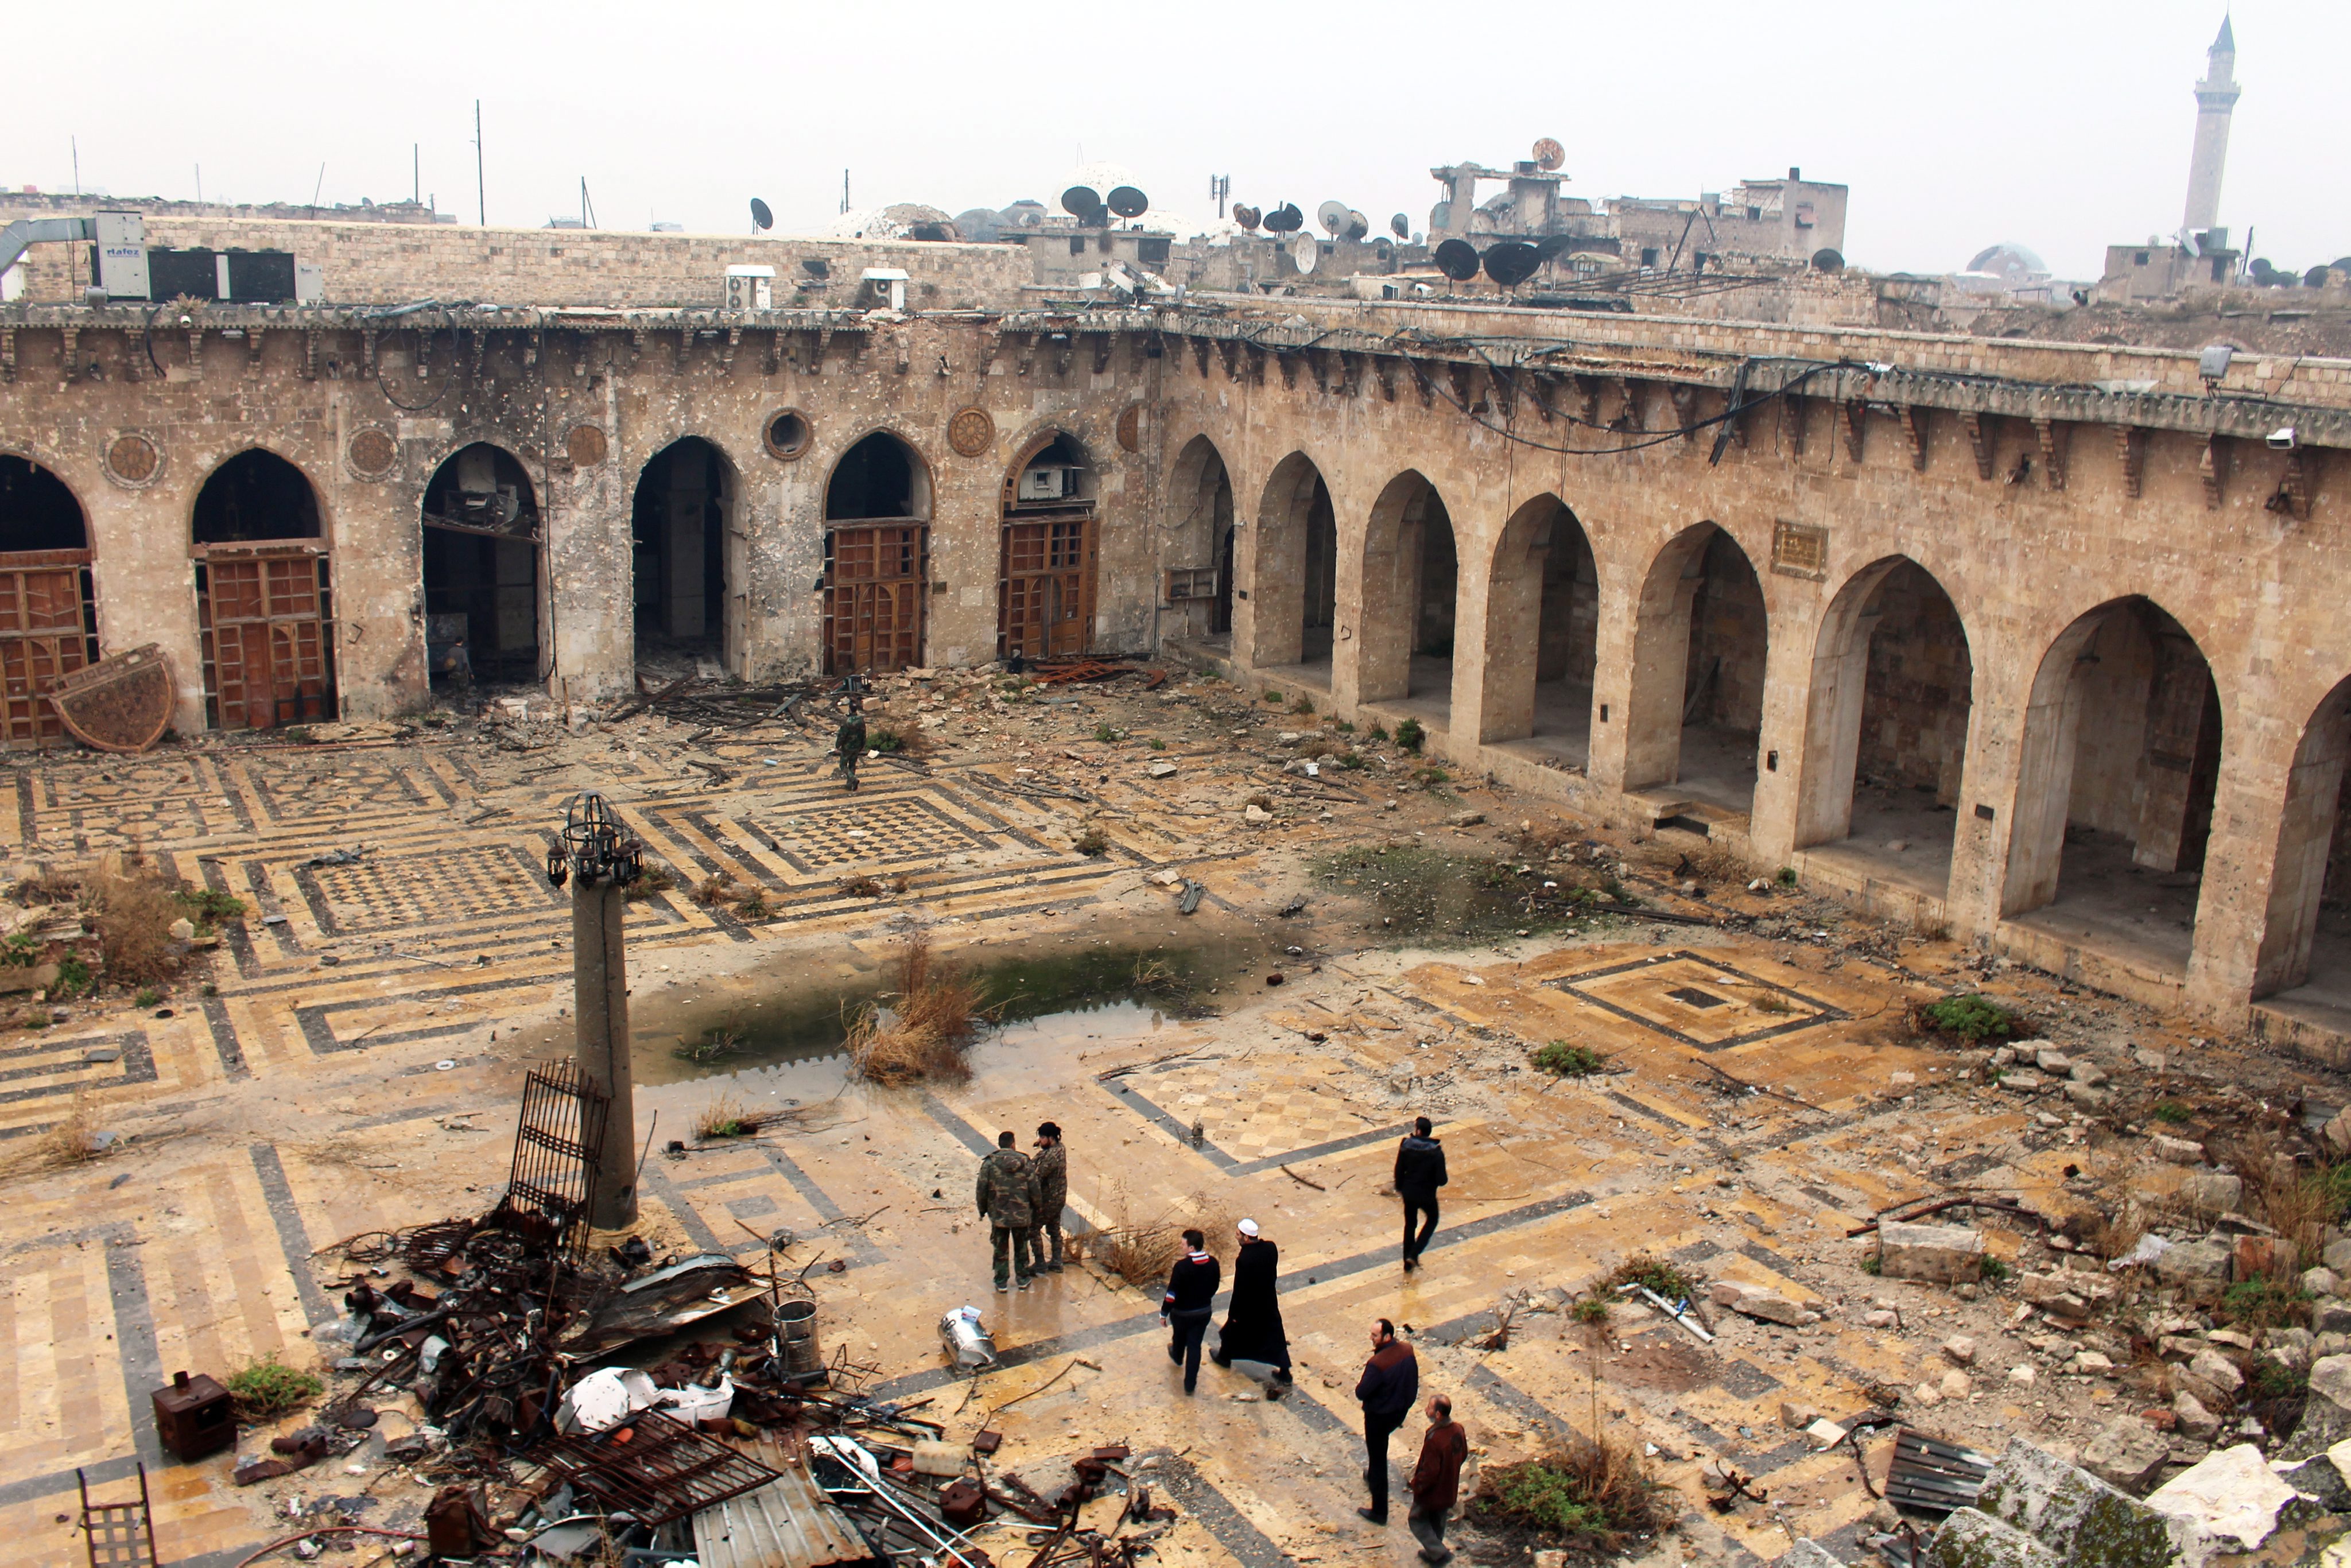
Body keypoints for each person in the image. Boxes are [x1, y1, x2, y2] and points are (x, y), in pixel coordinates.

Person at [1353, 1317, 1419, 1524]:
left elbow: (1361, 1392)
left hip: (1378, 1417)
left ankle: (1379, 1511)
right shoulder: (1408, 1350)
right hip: (1399, 1412)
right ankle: (1373, 1476)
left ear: (1387, 1337)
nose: (1371, 1339)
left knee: (1378, 1457)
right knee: (1379, 1453)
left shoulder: (1377, 1364)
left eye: (1375, 1336)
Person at [1212, 1218, 1291, 1388]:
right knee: (1275, 1336)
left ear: (1247, 1238)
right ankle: (1285, 1372)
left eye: (1239, 1234)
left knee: (1233, 1330)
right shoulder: (1271, 1248)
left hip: (1249, 1306)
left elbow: (1240, 1288)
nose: (1236, 1236)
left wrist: (1234, 1313)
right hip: (1268, 1301)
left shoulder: (1245, 1259)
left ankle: (1224, 1357)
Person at [1406, 1395, 1469, 1564]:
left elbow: (1430, 1472)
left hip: (1433, 1492)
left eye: (1429, 1408)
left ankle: (1439, 1553)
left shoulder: (1436, 1439)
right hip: (1449, 1489)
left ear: (1439, 1415)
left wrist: (1417, 1485)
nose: (1426, 1410)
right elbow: (1463, 1454)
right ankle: (1433, 1553)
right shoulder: (1458, 1430)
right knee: (1438, 1522)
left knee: (1416, 1520)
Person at [974, 1131, 1038, 1292]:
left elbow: (981, 1189)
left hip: (999, 1215)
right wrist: (1038, 1206)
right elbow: (1034, 1188)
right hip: (1021, 1214)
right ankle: (1023, 1279)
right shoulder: (1025, 1162)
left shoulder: (989, 1164)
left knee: (1000, 1248)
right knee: (1021, 1247)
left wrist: (982, 1210)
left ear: (1000, 1145)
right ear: (1013, 1144)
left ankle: (1001, 1281)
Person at [1160, 1229, 1220, 1395]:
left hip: (1182, 1313)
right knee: (1195, 1346)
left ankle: (1178, 1356)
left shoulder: (1181, 1267)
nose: (1181, 1247)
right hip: (1203, 1312)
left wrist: (1164, 1313)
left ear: (1192, 1248)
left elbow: (1172, 1293)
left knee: (1179, 1336)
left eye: (1183, 1245)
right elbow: (1215, 1286)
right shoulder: (1213, 1263)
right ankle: (1190, 1385)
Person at [1394, 1116, 1449, 1272]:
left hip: (1409, 1193)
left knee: (1410, 1225)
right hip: (1427, 1195)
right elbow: (1442, 1180)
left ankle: (1407, 1263)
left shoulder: (1406, 1146)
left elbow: (1399, 1169)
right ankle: (1415, 1252)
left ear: (1418, 1131)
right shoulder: (1436, 1153)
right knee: (1432, 1219)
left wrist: (1400, 1187)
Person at [1031, 1122, 1068, 1274]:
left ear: (1051, 1138)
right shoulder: (1061, 1149)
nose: (1040, 1140)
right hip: (1059, 1198)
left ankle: (1040, 1263)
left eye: (1042, 1137)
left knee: (1033, 1228)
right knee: (1054, 1228)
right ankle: (1057, 1262)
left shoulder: (1050, 1156)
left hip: (1048, 1199)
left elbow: (1037, 1176)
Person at [835, 698, 868, 793]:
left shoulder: (847, 722)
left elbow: (842, 735)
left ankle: (853, 778)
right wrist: (863, 745)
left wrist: (838, 746)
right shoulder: (861, 720)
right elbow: (864, 733)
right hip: (857, 746)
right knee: (852, 765)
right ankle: (850, 785)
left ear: (849, 709)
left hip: (847, 747)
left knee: (843, 765)